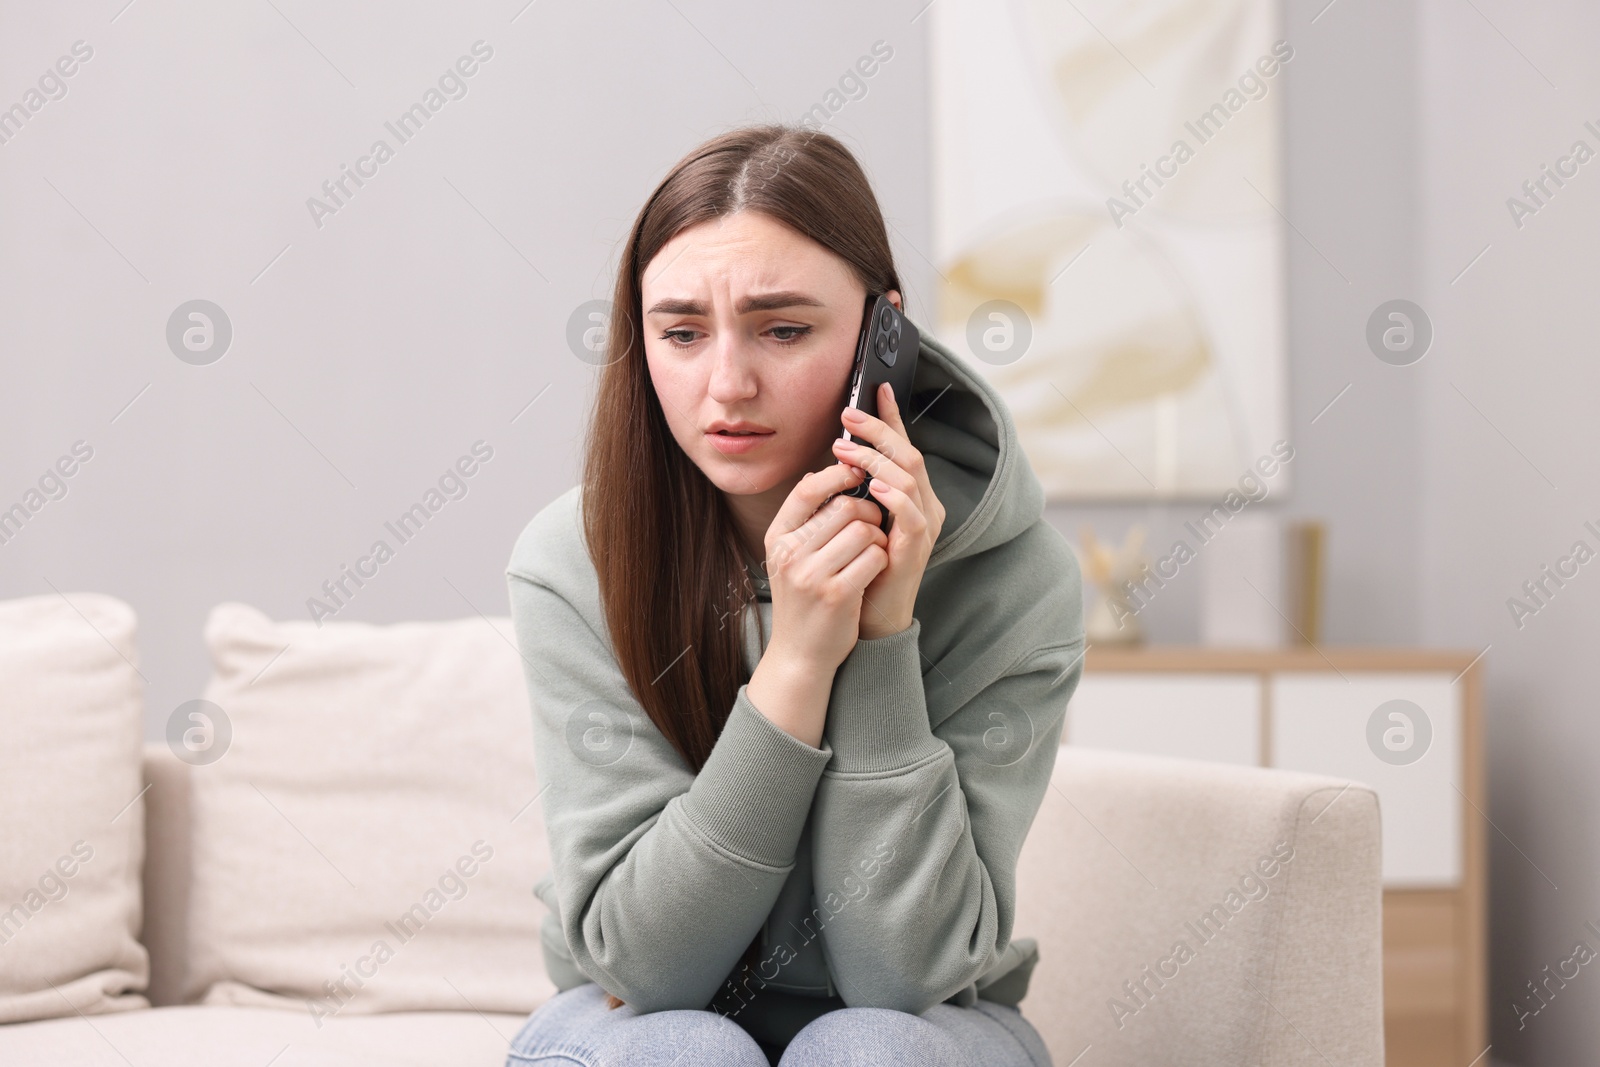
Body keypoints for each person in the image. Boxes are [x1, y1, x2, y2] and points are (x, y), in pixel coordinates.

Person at [503, 123, 1084, 1066]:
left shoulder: (1017, 578)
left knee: (872, 1048)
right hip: (639, 1023)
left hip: (921, 1027)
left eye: (784, 329)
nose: (727, 385)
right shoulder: (573, 562)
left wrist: (883, 634)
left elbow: (903, 975)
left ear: (882, 333)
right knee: (682, 1052)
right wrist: (801, 659)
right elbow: (651, 970)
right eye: (682, 332)